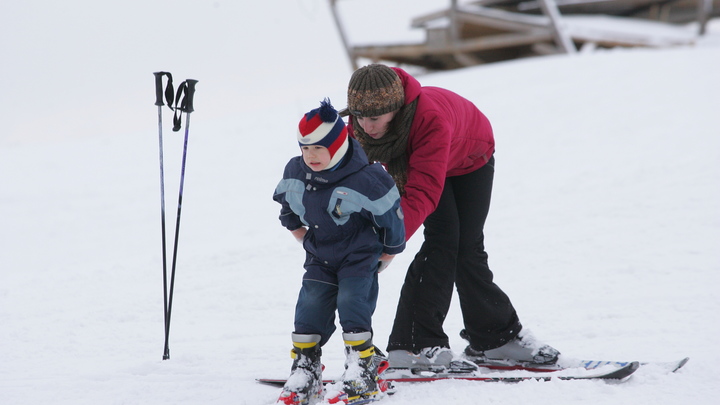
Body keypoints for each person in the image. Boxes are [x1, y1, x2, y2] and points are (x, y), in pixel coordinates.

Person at [343, 64, 559, 370]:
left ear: (394, 108)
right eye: (359, 117)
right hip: (425, 157)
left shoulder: (428, 120)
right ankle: (415, 343)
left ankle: (493, 340)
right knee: (446, 243)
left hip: (471, 157)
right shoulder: (361, 122)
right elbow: (349, 179)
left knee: (462, 245)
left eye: (374, 118)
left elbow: (422, 193)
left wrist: (388, 242)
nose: (365, 125)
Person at [272, 99, 406, 404]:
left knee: (352, 305)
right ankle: (306, 369)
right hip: (320, 254)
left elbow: (391, 217)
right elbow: (287, 205)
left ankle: (362, 367)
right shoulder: (297, 171)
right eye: (305, 148)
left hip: (358, 255)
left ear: (338, 144)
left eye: (319, 148)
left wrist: (389, 251)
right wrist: (300, 235)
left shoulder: (367, 178)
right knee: (309, 307)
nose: (311, 156)